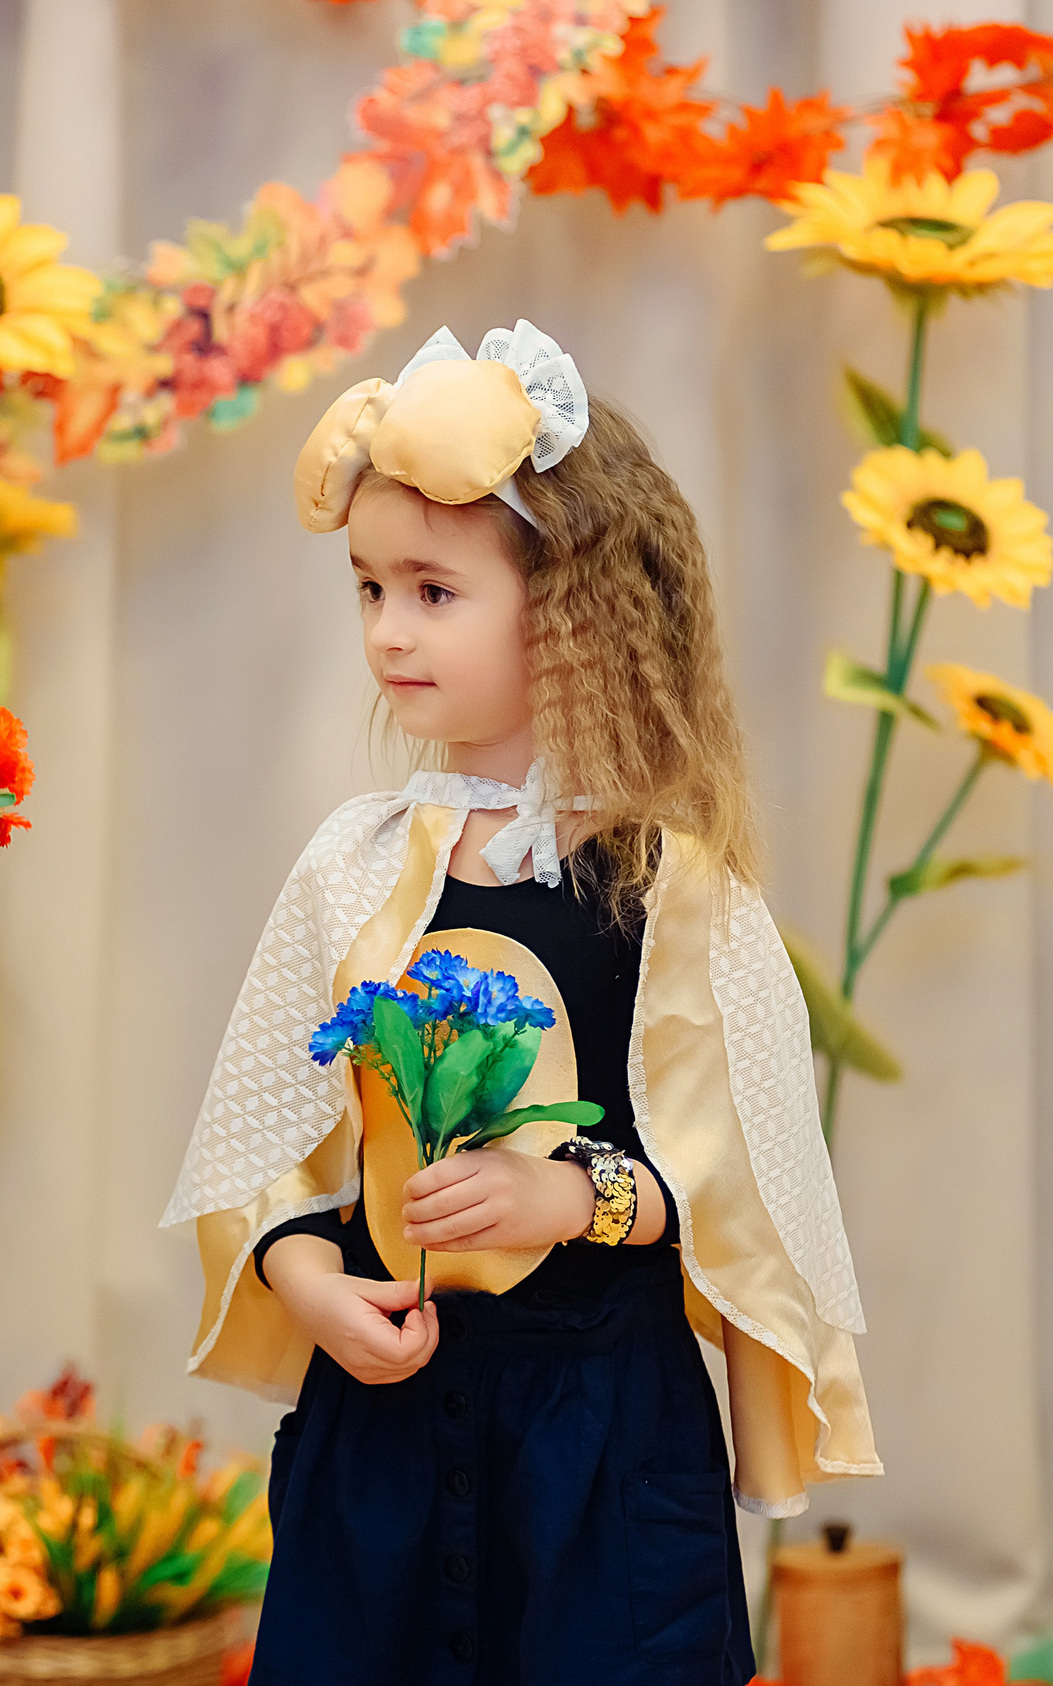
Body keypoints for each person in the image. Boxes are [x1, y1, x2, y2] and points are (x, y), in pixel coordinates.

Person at [162, 322, 878, 1685]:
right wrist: (311, 1281)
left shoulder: (675, 885)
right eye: (369, 589)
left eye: (434, 590)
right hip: (379, 1448)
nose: (387, 632)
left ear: (567, 605)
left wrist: (578, 1198)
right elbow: (262, 1149)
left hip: (599, 1461)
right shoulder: (354, 864)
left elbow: (753, 1189)